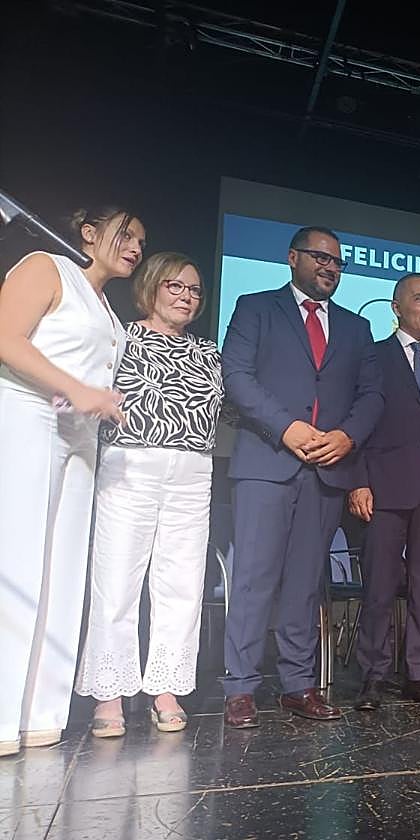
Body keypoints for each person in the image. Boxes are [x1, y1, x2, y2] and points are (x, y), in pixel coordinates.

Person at [221, 225, 383, 729]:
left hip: (326, 471)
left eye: (338, 261)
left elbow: (373, 395)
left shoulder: (357, 328)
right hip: (267, 463)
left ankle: (298, 686)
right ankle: (241, 688)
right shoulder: (255, 307)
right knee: (253, 580)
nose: (330, 267)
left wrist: (347, 437)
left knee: (305, 585)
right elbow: (236, 376)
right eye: (320, 257)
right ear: (293, 258)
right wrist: (286, 428)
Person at [0, 206, 144, 755]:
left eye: (140, 241)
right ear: (88, 231)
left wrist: (91, 401)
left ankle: (40, 712)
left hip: (78, 435)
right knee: (17, 563)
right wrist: (77, 389)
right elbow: (7, 339)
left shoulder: (107, 307)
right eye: (124, 234)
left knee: (63, 573)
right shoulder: (46, 267)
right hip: (26, 415)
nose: (133, 247)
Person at [76, 253, 223, 736]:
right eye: (175, 287)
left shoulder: (209, 352)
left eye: (194, 290)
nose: (186, 296)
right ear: (153, 288)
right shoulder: (121, 336)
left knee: (182, 585)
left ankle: (166, 688)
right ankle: (109, 694)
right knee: (117, 580)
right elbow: (81, 391)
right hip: (129, 465)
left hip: (192, 472)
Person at [350, 273, 420, 709]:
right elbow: (355, 420)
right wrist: (358, 480)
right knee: (378, 587)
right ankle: (372, 676)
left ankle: (419, 675)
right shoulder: (372, 357)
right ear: (396, 308)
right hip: (384, 487)